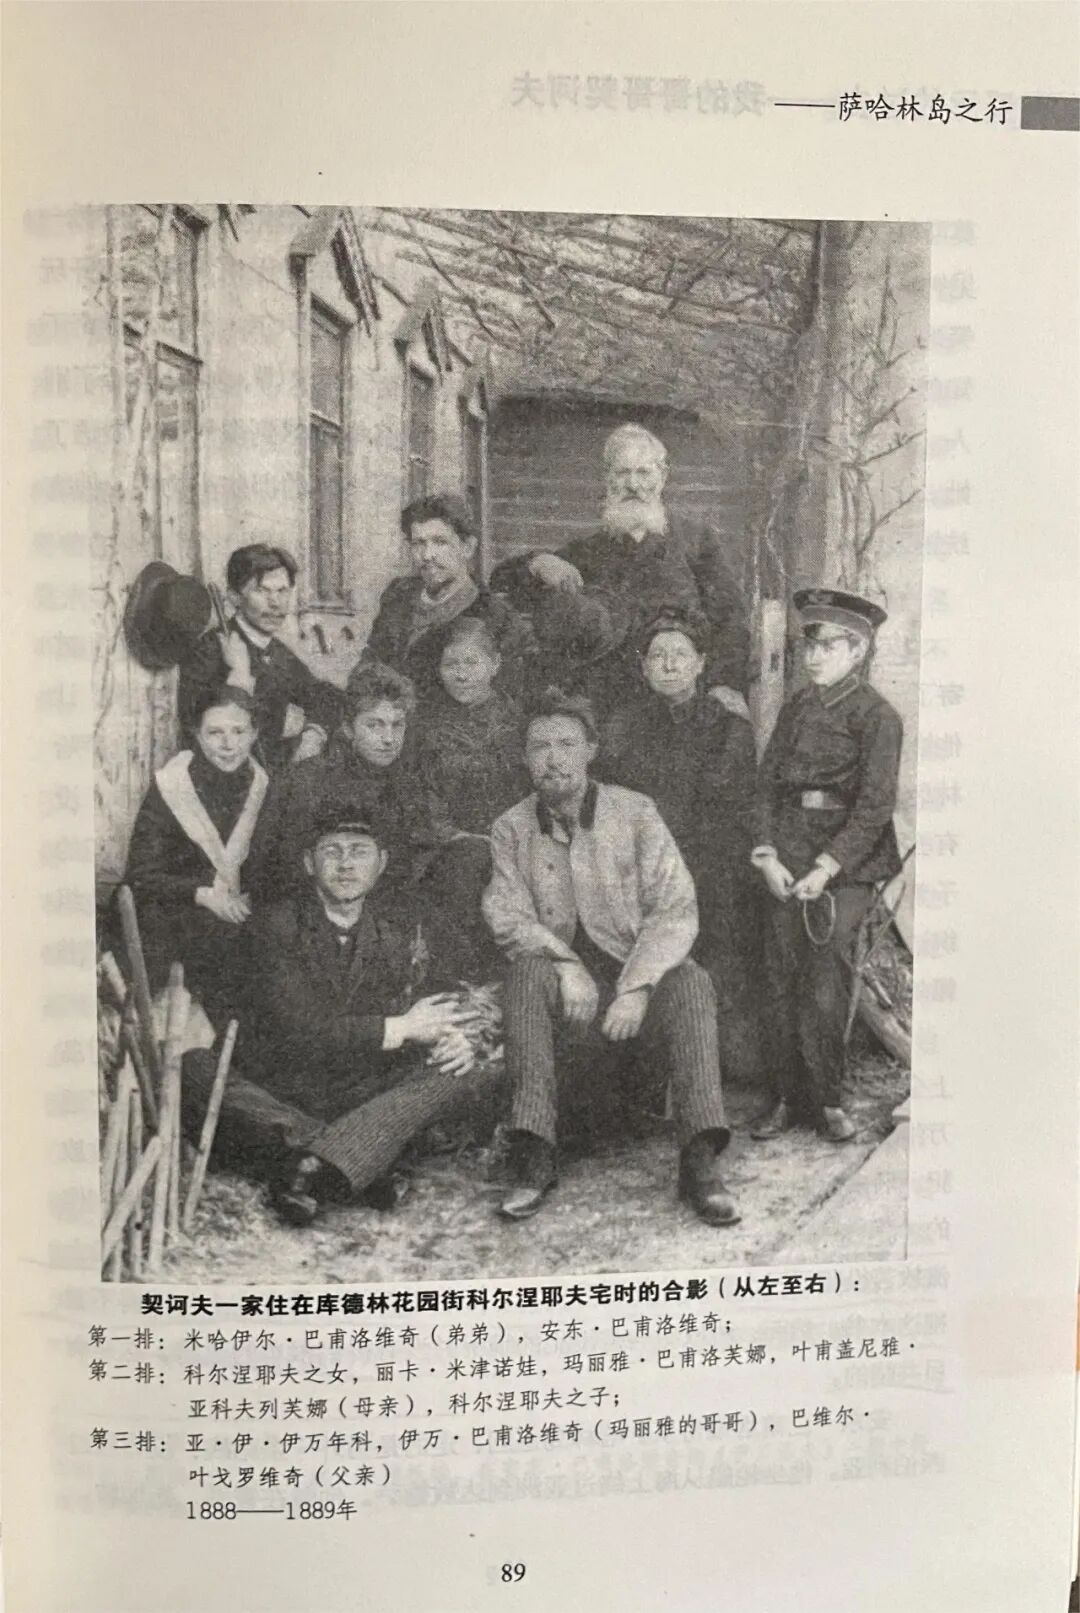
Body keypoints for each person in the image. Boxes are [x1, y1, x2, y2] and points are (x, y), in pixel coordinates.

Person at [482, 688, 739, 1227]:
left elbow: (675, 908)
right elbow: (506, 915)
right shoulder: (511, 827)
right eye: (540, 747)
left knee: (691, 981)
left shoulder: (635, 812)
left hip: (632, 976)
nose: (553, 759)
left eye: (566, 744)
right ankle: (534, 1155)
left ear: (591, 750)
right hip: (567, 994)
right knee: (525, 974)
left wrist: (638, 987)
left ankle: (699, 1162)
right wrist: (564, 962)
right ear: (525, 757)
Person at [182, 808, 499, 1226]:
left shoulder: (394, 935)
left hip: (357, 1091)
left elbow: (425, 1009)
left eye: (359, 852)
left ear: (380, 864)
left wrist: (450, 1040)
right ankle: (349, 1160)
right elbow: (301, 1030)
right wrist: (403, 1028)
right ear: (309, 864)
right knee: (194, 1068)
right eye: (332, 852)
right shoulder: (274, 927)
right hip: (281, 1088)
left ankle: (309, 1166)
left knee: (457, 1069)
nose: (346, 864)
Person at [750, 588, 903, 1144]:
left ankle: (827, 1101)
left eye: (826, 646)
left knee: (824, 976)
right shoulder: (796, 708)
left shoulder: (878, 717)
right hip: (787, 853)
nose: (812, 657)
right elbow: (766, 787)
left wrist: (826, 867)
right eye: (808, 646)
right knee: (777, 975)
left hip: (847, 865)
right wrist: (767, 854)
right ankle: (784, 1098)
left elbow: (874, 808)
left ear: (857, 651)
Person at [601, 605, 762, 1081]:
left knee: (715, 941)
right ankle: (651, 1070)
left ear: (700, 663)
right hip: (642, 862)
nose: (669, 665)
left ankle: (716, 1066)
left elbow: (724, 803)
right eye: (658, 656)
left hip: (708, 861)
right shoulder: (625, 726)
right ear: (643, 666)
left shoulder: (728, 727)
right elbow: (614, 799)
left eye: (680, 655)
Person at [491, 423, 750, 717]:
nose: (633, 485)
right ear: (608, 478)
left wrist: (724, 683)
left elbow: (731, 619)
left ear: (662, 477)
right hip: (607, 706)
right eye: (623, 473)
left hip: (678, 701)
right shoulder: (587, 550)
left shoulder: (696, 542)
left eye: (644, 472)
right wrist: (537, 562)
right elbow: (503, 582)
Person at [123, 685, 268, 1024]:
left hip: (238, 909)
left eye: (238, 732)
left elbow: (270, 862)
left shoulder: (262, 784)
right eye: (215, 733)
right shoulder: (173, 785)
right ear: (197, 735)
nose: (229, 744)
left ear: (254, 734)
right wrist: (203, 894)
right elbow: (141, 873)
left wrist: (250, 896)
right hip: (180, 910)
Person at [252, 662, 443, 905]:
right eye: (374, 725)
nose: (388, 739)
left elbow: (420, 860)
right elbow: (277, 865)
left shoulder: (408, 785)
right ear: (348, 728)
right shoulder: (306, 780)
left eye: (397, 725)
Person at [412, 617, 529, 972]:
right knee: (467, 869)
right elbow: (421, 793)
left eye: (471, 663)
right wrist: (455, 836)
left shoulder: (518, 722)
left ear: (495, 664)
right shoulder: (424, 726)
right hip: (447, 848)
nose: (461, 675)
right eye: (451, 664)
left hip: (515, 842)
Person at [178, 543, 344, 772]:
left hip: (269, 774)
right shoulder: (209, 651)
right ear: (234, 597)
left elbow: (326, 697)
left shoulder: (277, 652)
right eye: (262, 591)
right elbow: (204, 737)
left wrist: (315, 733)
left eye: (282, 591)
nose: (275, 603)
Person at [360, 492, 536, 705]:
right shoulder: (399, 595)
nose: (427, 555)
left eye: (440, 542)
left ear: (467, 547)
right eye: (418, 543)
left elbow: (509, 700)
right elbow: (370, 665)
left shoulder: (498, 617)